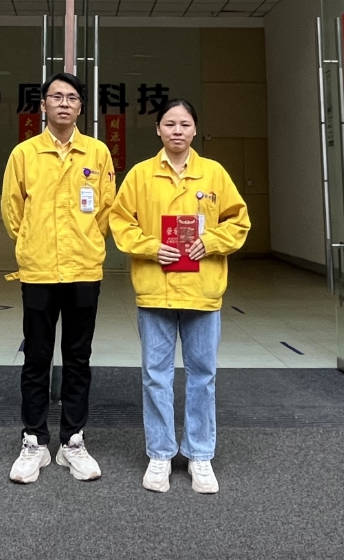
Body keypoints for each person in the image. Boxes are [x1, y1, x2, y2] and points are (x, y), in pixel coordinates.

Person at [110, 98, 249, 494]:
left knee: (203, 376)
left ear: (194, 129)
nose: (177, 130)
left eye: (184, 124)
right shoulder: (140, 175)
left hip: (202, 291)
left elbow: (239, 221)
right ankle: (160, 453)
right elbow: (120, 222)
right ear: (157, 129)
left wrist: (213, 241)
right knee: (156, 376)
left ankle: (200, 455)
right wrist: (151, 247)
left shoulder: (214, 173)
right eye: (169, 123)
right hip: (155, 290)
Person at [1, 71, 116, 484]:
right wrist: (33, 242)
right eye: (56, 97)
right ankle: (34, 441)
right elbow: (12, 210)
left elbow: (106, 208)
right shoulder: (24, 154)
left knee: (78, 358)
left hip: (84, 269)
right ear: (43, 105)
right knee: (36, 358)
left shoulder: (97, 153)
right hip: (39, 271)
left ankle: (72, 442)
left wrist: (85, 241)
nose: (64, 103)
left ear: (81, 107)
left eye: (71, 98)